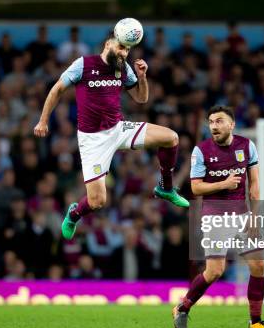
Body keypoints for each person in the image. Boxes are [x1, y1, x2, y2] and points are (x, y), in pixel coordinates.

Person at [34, 36, 189, 240]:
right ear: (108, 44)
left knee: (171, 138)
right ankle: (73, 214)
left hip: (118, 128)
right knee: (97, 201)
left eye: (127, 50)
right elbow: (57, 89)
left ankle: (165, 187)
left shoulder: (123, 67)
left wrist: (142, 78)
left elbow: (141, 99)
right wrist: (43, 121)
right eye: (121, 47)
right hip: (93, 139)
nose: (124, 52)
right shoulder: (84, 64)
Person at [172, 105, 264, 328]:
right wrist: (224, 184)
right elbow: (196, 188)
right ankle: (183, 306)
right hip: (215, 215)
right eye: (211, 122)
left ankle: (255, 322)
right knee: (215, 271)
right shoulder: (201, 150)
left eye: (219, 121)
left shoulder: (247, 146)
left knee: (259, 265)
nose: (214, 126)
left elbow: (255, 184)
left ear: (232, 124)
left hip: (242, 214)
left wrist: (255, 217)